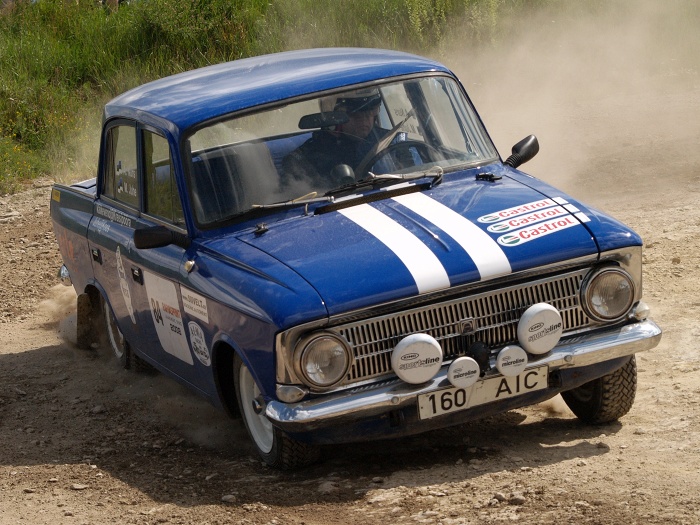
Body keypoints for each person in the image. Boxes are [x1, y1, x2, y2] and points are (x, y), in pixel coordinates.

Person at [282, 88, 387, 191]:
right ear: (331, 116)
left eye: (370, 112)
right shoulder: (304, 159)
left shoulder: (388, 140)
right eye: (355, 114)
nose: (364, 119)